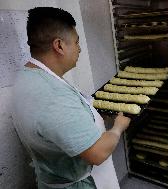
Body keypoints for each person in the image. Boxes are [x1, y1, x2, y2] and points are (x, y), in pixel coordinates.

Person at [11, 7, 130, 189]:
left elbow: (57, 122)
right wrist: (118, 127)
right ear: (59, 45)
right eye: (76, 42)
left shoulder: (28, 76)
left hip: (50, 178)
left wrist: (92, 116)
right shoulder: (52, 95)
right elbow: (97, 154)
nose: (80, 49)